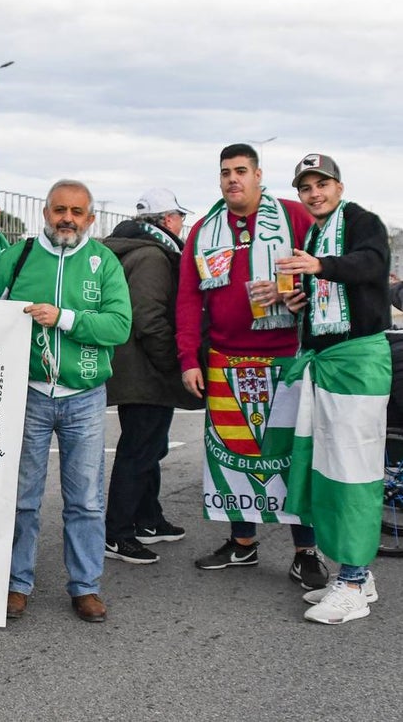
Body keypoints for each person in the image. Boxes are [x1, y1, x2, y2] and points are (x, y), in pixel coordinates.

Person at [176, 143, 328, 589]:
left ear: (259, 175)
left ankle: (305, 551)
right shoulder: (204, 229)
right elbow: (188, 298)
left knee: (293, 455)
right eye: (225, 172)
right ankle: (242, 544)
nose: (232, 180)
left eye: (241, 171)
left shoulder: (293, 217)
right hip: (225, 360)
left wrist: (296, 296)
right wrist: (189, 358)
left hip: (287, 357)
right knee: (234, 458)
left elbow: (323, 277)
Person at [0, 180, 131, 623]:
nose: (67, 218)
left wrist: (64, 318)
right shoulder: (19, 255)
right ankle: (15, 582)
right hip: (27, 393)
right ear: (45, 212)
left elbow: (119, 326)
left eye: (77, 211)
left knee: (85, 499)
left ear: (90, 218)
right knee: (21, 496)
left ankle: (85, 586)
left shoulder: (103, 262)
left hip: (84, 397)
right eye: (60, 209)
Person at [276, 154, 391, 623]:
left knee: (353, 470)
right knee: (327, 468)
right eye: (306, 187)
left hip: (357, 360)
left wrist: (320, 265)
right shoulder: (312, 234)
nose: (314, 193)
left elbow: (370, 264)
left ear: (339, 186)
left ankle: (352, 578)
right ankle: (358, 575)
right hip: (324, 361)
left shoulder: (363, 221)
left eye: (322, 184)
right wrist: (295, 297)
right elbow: (325, 293)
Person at [102, 189, 202, 565]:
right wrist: (171, 364)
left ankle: (148, 519)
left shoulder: (132, 249)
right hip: (145, 372)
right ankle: (117, 532)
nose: (182, 223)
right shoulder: (152, 256)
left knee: (149, 447)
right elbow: (150, 318)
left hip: (134, 371)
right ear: (165, 220)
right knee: (139, 450)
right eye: (178, 216)